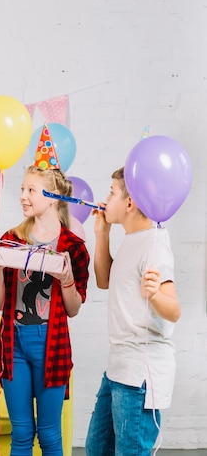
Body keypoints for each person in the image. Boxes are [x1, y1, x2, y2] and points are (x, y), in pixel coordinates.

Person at [0, 164, 90, 456]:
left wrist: (67, 279)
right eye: (22, 189)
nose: (23, 196)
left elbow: (74, 309)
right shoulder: (11, 239)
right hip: (14, 345)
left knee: (49, 433)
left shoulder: (74, 248)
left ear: (54, 195)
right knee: (21, 432)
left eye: (31, 190)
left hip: (52, 345)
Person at [85, 167, 181, 456]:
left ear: (130, 203)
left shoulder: (154, 244)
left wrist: (153, 294)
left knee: (131, 451)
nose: (106, 199)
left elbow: (174, 310)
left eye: (112, 193)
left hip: (140, 374)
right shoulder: (131, 239)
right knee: (98, 447)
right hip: (119, 367)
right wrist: (102, 235)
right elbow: (104, 280)